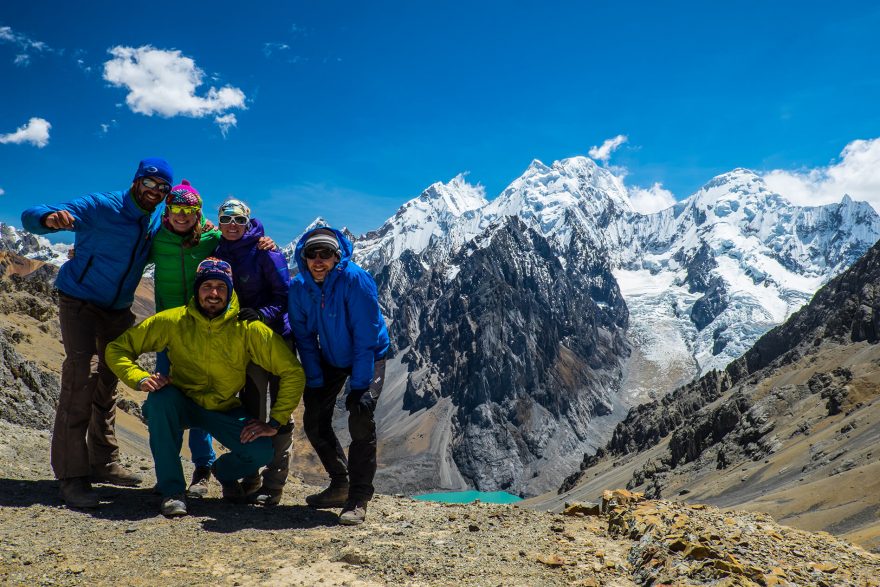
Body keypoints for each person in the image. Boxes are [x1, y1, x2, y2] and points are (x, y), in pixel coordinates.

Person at [20, 157, 173, 509]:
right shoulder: (102, 206)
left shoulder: (148, 223)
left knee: (107, 382)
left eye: (162, 189)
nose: (154, 192)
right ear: (137, 182)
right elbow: (33, 214)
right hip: (80, 303)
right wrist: (47, 218)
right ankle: (72, 477)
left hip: (117, 311)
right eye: (149, 184)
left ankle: (102, 461)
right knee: (81, 379)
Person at [105, 258, 305, 516]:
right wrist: (139, 378)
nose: (213, 293)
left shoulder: (247, 328)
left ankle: (222, 472)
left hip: (223, 408)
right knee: (158, 402)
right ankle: (172, 490)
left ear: (230, 291)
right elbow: (117, 348)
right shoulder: (173, 320)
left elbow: (292, 371)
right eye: (207, 286)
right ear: (196, 290)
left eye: (221, 287)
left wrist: (275, 422)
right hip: (182, 401)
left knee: (260, 451)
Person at [148, 185, 276, 499]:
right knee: (167, 397)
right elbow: (127, 258)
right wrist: (81, 254)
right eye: (176, 210)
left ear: (198, 213)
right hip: (172, 327)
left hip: (213, 324)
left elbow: (241, 239)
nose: (182, 216)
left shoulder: (212, 238)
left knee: (204, 391)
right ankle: (169, 475)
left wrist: (263, 238)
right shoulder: (156, 240)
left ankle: (203, 468)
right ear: (167, 212)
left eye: (189, 211)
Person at [288, 226, 390, 525]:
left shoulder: (356, 280)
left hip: (368, 353)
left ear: (338, 256)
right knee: (314, 420)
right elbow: (304, 338)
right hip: (331, 355)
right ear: (303, 257)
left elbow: (365, 336)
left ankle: (358, 498)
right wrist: (316, 379)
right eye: (312, 254)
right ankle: (340, 483)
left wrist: (359, 388)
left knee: (360, 414)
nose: (319, 260)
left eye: (326, 254)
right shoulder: (299, 287)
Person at [211, 198, 294, 505]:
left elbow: (284, 295)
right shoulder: (218, 250)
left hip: (277, 338)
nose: (232, 225)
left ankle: (274, 485)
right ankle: (251, 478)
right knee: (252, 408)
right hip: (245, 342)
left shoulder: (265, 251)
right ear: (218, 222)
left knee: (280, 413)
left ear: (248, 221)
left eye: (238, 220)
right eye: (226, 220)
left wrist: (261, 314)